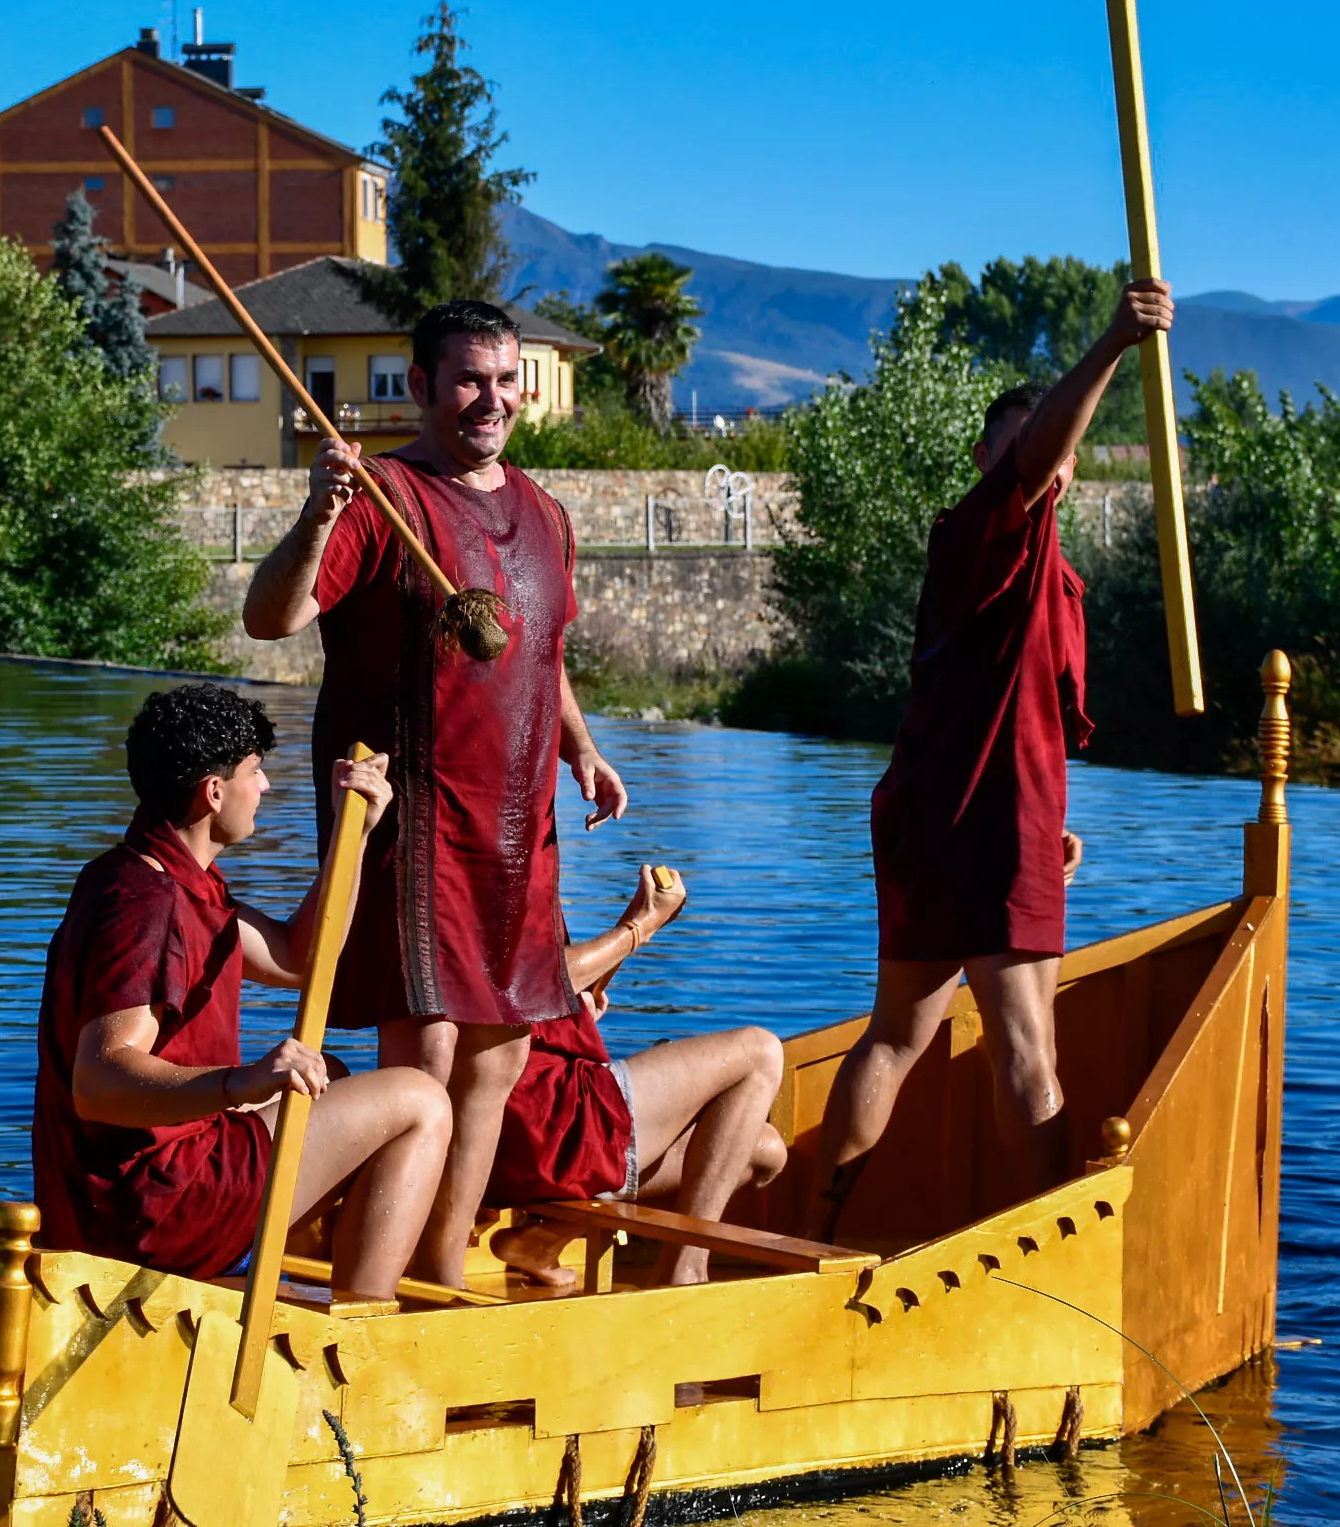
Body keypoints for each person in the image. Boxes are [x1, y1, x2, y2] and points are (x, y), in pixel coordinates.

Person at [243, 299, 629, 1287]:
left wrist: (584, 748)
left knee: (498, 1059)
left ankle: (440, 1270)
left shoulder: (545, 512)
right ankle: (373, 1277)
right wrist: (318, 510)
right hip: (407, 817)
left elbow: (539, 647)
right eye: (467, 379)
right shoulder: (383, 494)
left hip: (515, 825)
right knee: (425, 1054)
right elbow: (269, 616)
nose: (489, 399)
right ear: (420, 385)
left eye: (505, 380)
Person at [809, 278, 1173, 1242]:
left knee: (903, 1033)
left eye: (1049, 443)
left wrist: (1050, 824)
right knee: (1019, 1049)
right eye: (1015, 442)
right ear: (986, 458)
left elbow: (1024, 720)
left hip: (979, 820)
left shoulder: (1055, 572)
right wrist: (1109, 347)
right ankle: (1038, 1260)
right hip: (970, 824)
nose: (1037, 456)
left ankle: (824, 1230)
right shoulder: (978, 528)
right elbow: (1038, 453)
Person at [33, 683, 451, 1300]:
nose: (265, 788)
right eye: (256, 772)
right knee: (421, 1100)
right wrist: (240, 1082)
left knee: (325, 1073)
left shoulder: (151, 875)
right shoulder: (148, 906)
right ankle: (363, 1329)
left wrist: (352, 834)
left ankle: (294, 1274)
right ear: (214, 790)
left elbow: (299, 957)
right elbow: (98, 1083)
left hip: (125, 1195)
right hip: (148, 1211)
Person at [483, 865, 787, 1287]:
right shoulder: (507, 848)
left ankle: (541, 1240)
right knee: (760, 1052)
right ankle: (686, 1269)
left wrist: (581, 1007)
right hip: (542, 1119)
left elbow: (524, 990)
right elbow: (535, 984)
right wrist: (640, 924)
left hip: (525, 1127)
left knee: (762, 1150)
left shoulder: (509, 850)